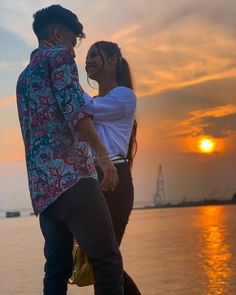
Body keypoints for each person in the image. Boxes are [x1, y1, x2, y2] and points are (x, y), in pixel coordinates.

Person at [16, 5, 124, 295]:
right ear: (56, 33)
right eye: (73, 42)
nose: (74, 52)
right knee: (107, 261)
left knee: (57, 269)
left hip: (43, 192)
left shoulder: (23, 79)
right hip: (73, 179)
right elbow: (75, 112)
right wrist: (104, 158)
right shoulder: (59, 57)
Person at [83, 41, 141, 295]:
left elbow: (89, 109)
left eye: (95, 55)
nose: (88, 61)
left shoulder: (124, 96)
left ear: (113, 59)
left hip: (115, 180)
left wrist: (65, 76)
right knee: (102, 262)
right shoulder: (93, 100)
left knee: (104, 261)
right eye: (87, 57)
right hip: (92, 182)